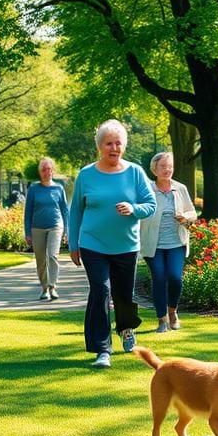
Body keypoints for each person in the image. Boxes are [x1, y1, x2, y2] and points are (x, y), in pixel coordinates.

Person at [68, 120, 157, 368]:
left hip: (126, 246)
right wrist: (73, 244)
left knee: (123, 294)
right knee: (101, 291)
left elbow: (151, 205)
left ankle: (126, 328)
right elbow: (75, 211)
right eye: (109, 143)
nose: (114, 148)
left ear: (124, 146)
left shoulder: (135, 172)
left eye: (118, 143)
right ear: (100, 146)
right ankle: (102, 349)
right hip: (92, 244)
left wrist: (133, 209)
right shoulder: (86, 174)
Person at [139, 151, 198, 333]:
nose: (167, 170)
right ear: (154, 169)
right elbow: (139, 212)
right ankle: (161, 319)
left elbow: (192, 213)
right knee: (159, 278)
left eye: (170, 166)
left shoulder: (180, 189)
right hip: (153, 243)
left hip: (176, 242)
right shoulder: (146, 189)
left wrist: (185, 217)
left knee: (174, 278)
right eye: (163, 167)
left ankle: (172, 311)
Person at [24, 157, 69, 300]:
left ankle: (53, 286)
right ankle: (44, 289)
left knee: (52, 255)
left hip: (55, 226)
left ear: (53, 171)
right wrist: (27, 232)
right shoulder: (33, 189)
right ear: (40, 172)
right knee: (41, 259)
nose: (47, 172)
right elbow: (28, 212)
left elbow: (65, 211)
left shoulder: (59, 188)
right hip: (37, 228)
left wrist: (67, 230)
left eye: (49, 169)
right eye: (44, 169)